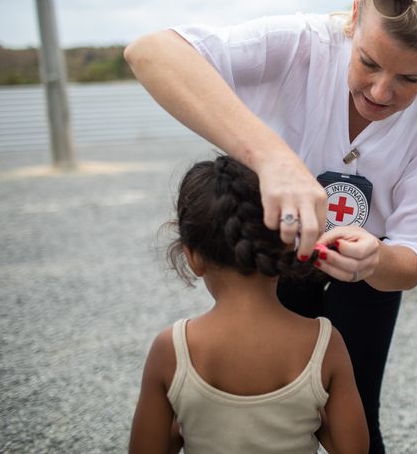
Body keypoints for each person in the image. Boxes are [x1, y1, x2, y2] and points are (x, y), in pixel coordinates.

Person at [124, 0, 417, 450]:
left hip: (365, 277)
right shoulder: (299, 44)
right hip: (273, 249)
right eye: (369, 62)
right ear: (354, 18)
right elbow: (150, 52)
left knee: (357, 411)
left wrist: (375, 258)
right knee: (256, 399)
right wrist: (272, 158)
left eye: (409, 80)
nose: (380, 91)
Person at [128, 155, 368, 453]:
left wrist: (186, 423)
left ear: (193, 256)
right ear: (285, 243)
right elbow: (354, 449)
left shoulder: (171, 349)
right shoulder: (324, 343)